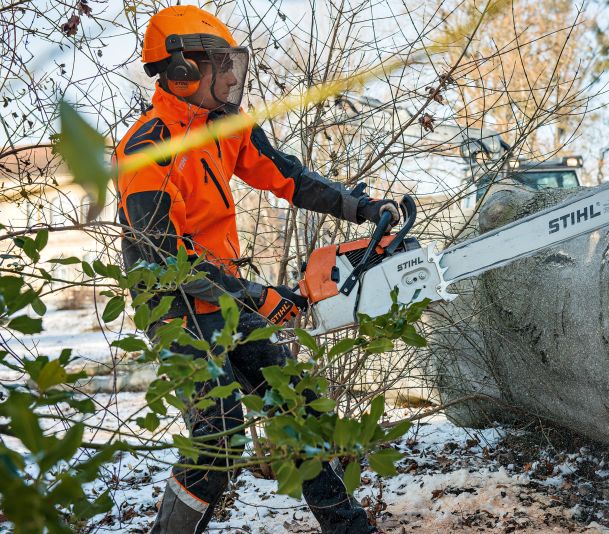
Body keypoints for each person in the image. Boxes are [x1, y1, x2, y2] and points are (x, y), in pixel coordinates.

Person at [114, 5, 398, 533]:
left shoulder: (224, 126)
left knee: (299, 406)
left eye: (232, 64)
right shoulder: (146, 152)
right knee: (219, 437)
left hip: (224, 297)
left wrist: (359, 206)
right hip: (176, 308)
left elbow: (289, 177)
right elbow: (169, 260)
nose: (230, 77)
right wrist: (257, 296)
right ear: (182, 71)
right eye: (219, 65)